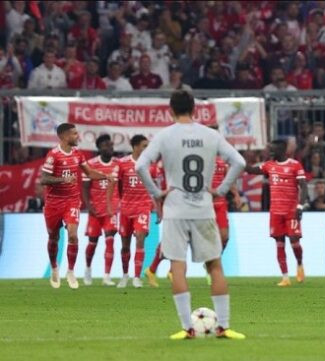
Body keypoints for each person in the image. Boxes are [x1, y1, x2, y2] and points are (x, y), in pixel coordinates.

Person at [136, 90, 246, 340]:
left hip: (175, 209)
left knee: (178, 267)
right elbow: (238, 162)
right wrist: (220, 189)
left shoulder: (164, 136)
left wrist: (157, 193)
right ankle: (224, 327)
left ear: (170, 110)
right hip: (204, 207)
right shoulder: (210, 135)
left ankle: (187, 329)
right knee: (215, 266)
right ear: (195, 109)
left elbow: (140, 165)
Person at [40, 123, 113, 289]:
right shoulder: (53, 155)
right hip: (53, 203)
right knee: (53, 237)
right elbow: (44, 179)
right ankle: (54, 268)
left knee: (73, 235)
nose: (77, 136)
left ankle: (71, 271)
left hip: (72, 201)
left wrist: (104, 176)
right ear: (64, 137)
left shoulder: (78, 155)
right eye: (74, 134)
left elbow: (89, 173)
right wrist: (62, 180)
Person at [246, 140, 309, 287]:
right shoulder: (269, 165)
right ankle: (285, 277)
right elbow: (252, 171)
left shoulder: (294, 165)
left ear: (283, 150)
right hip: (275, 212)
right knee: (279, 243)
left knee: (294, 240)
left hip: (291, 211)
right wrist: (238, 161)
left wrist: (300, 206)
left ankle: (299, 264)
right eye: (270, 150)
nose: (271, 153)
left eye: (273, 150)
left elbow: (304, 186)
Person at [107, 135, 160, 289]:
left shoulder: (151, 166)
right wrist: (110, 205)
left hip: (143, 207)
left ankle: (137, 277)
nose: (147, 149)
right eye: (144, 145)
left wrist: (159, 208)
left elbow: (155, 189)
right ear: (135, 146)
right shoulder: (122, 164)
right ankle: (125, 276)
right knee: (125, 245)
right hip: (125, 209)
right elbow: (113, 183)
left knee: (140, 239)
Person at [81, 134, 119, 286]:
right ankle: (88, 269)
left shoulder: (118, 164)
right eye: (106, 145)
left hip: (111, 210)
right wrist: (89, 207)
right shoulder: (90, 164)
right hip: (95, 210)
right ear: (99, 148)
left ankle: (107, 276)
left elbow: (121, 185)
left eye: (111, 145)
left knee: (110, 239)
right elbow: (84, 188)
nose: (110, 147)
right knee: (93, 242)